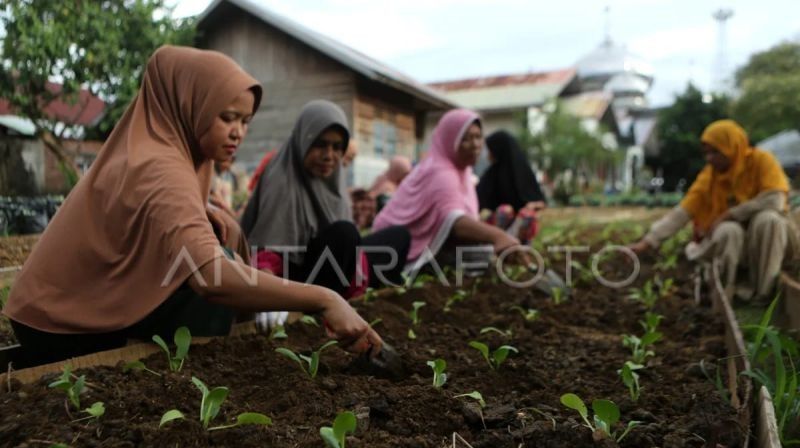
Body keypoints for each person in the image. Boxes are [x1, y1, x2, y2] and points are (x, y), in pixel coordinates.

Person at [3, 46, 381, 368]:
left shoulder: (174, 153)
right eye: (227, 117)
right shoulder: (160, 166)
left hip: (67, 310)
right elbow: (209, 276)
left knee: (220, 242)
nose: (238, 132)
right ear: (190, 106)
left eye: (246, 121)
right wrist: (323, 299)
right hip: (60, 327)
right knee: (211, 285)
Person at [241, 100, 410, 297]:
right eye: (320, 144)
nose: (329, 156)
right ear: (303, 141)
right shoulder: (282, 179)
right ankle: (327, 303)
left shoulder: (332, 179)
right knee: (345, 234)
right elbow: (268, 250)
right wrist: (270, 293)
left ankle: (367, 286)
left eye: (337, 147)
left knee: (399, 236)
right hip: (297, 280)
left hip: (335, 265)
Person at [629, 119, 799, 302]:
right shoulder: (709, 176)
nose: (709, 158)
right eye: (706, 153)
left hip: (775, 239)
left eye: (715, 151)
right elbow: (683, 211)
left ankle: (764, 293)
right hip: (740, 244)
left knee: (767, 219)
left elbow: (775, 199)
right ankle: (729, 292)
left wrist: (730, 214)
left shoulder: (762, 161)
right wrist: (648, 241)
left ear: (732, 146)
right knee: (728, 230)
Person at [372, 109, 523, 272]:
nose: (475, 145)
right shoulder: (441, 171)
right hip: (392, 252)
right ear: (450, 141)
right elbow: (453, 221)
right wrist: (498, 236)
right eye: (465, 138)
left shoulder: (463, 172)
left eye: (478, 137)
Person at [477, 130, 546, 244]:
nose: (488, 154)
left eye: (490, 150)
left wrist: (531, 206)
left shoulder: (522, 172)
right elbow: (478, 202)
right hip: (497, 226)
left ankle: (514, 244)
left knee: (527, 216)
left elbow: (541, 202)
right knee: (504, 210)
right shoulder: (491, 174)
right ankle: (500, 243)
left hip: (519, 225)